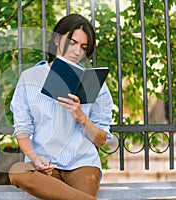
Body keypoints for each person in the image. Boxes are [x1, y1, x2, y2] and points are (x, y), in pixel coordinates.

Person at [8, 13, 113, 200]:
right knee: (17, 171)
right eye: (72, 42)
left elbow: (101, 140)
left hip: (82, 164)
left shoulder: (94, 83)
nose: (77, 51)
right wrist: (35, 159)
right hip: (44, 165)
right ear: (57, 40)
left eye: (83, 47)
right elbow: (22, 131)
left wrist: (81, 117)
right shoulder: (30, 78)